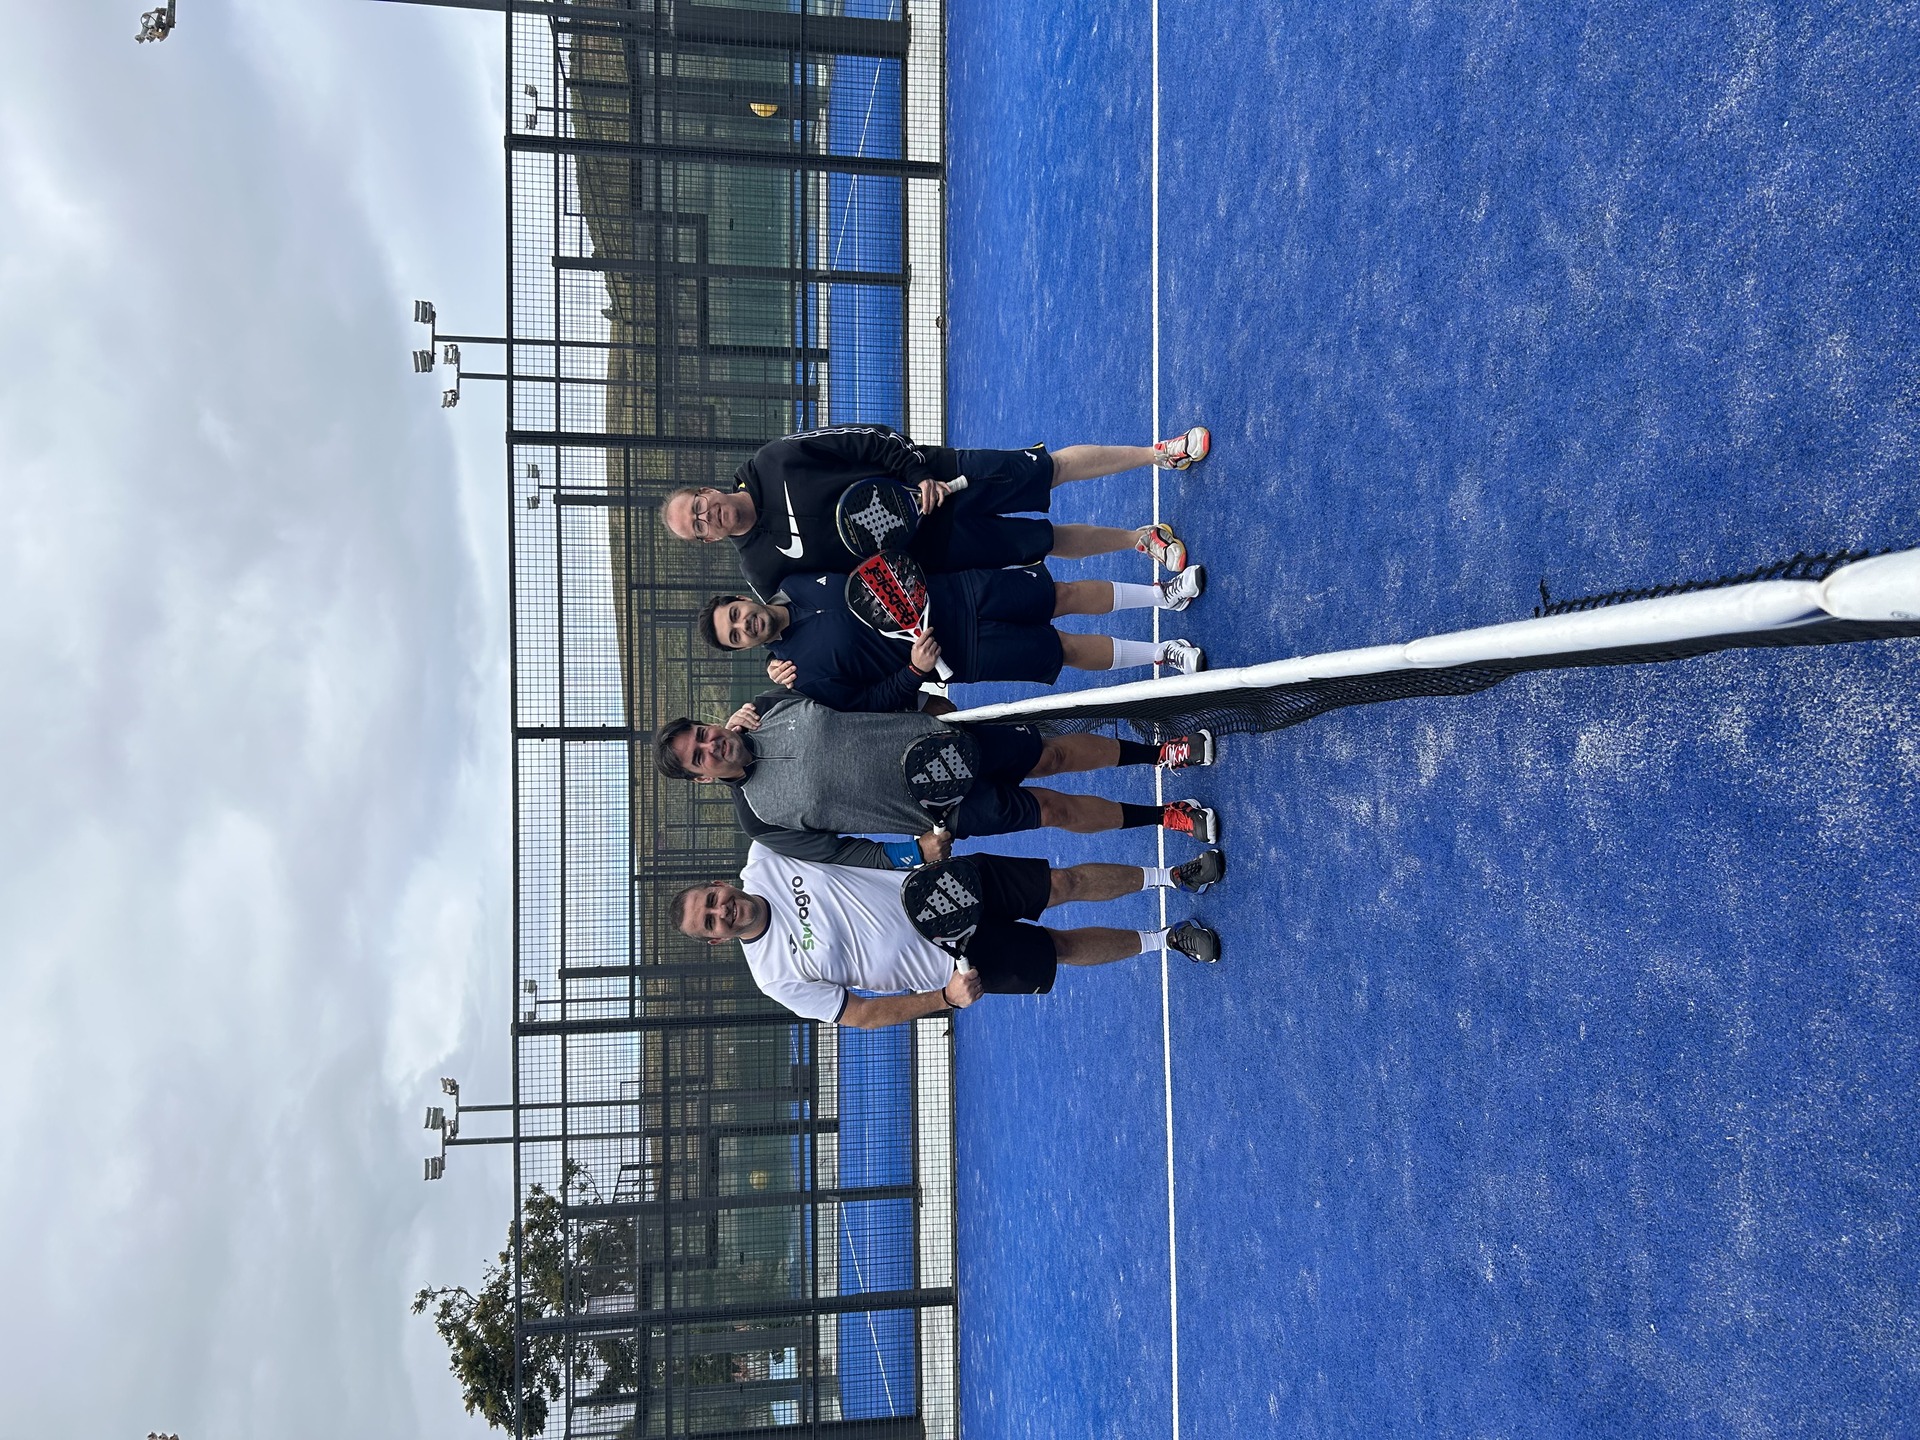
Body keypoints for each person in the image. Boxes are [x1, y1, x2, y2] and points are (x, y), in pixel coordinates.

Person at [672, 841, 1227, 1027]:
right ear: (717, 940)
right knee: (1057, 948)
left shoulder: (765, 856)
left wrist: (749, 717)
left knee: (1063, 883)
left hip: (942, 886)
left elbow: (768, 781)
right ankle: (1166, 939)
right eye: (711, 922)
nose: (722, 911)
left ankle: (1173, 875)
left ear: (719, 884)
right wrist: (945, 997)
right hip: (952, 964)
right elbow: (861, 1014)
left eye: (712, 900)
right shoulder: (773, 977)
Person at [658, 421, 1211, 601]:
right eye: (697, 528)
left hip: (941, 479)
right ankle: (1141, 539)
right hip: (936, 551)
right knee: (1044, 541)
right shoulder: (762, 571)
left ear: (707, 491)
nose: (707, 518)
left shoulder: (774, 459)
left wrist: (917, 474)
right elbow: (816, 609)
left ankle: (1158, 453)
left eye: (698, 507)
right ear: (706, 541)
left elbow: (865, 438)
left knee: (1050, 470)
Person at [652, 691, 1221, 862]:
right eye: (699, 756)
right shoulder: (758, 820)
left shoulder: (766, 704)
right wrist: (913, 852)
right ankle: (1166, 816)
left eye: (702, 733)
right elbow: (841, 852)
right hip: (942, 813)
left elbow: (857, 692)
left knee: (1050, 756)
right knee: (1053, 809)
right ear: (702, 779)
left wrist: (922, 698)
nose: (710, 744)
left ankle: (1161, 753)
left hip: (947, 742)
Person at [699, 563, 1207, 713]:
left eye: (736, 615)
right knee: (1064, 650)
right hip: (962, 654)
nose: (745, 625)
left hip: (959, 589)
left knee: (1063, 594)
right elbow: (869, 701)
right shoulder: (800, 677)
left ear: (741, 599)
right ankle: (1163, 655)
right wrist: (915, 671)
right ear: (743, 648)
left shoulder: (796, 578)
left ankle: (1164, 595)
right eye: (736, 635)